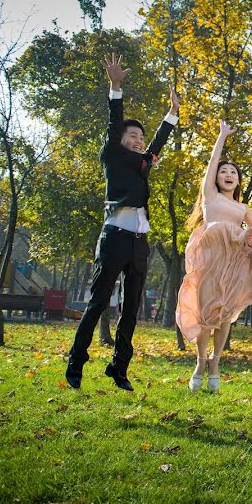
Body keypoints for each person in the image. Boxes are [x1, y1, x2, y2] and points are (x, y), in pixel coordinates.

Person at [65, 53, 179, 391]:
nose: (139, 140)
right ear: (121, 140)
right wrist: (115, 89)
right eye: (133, 136)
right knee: (99, 302)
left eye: (141, 138)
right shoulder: (112, 155)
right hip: (114, 237)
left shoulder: (144, 163)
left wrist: (171, 115)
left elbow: (158, 143)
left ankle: (119, 368)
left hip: (138, 244)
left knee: (130, 310)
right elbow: (114, 125)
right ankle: (76, 363)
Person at [176, 121, 252, 392]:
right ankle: (200, 362)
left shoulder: (242, 208)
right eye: (223, 171)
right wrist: (221, 137)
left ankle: (216, 363)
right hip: (208, 265)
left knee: (225, 316)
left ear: (238, 181)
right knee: (206, 315)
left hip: (233, 269)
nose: (228, 174)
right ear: (215, 178)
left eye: (233, 172)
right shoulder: (210, 198)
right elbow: (212, 163)